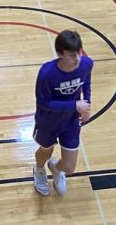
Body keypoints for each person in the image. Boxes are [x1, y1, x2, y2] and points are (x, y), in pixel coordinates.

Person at [32, 29, 93, 196]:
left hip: (71, 122)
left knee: (69, 167)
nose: (77, 59)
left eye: (79, 53)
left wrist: (87, 104)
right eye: (72, 55)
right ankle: (38, 169)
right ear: (60, 53)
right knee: (46, 151)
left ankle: (55, 168)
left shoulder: (86, 64)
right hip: (48, 121)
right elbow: (44, 103)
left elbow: (86, 81)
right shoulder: (47, 74)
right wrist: (75, 105)